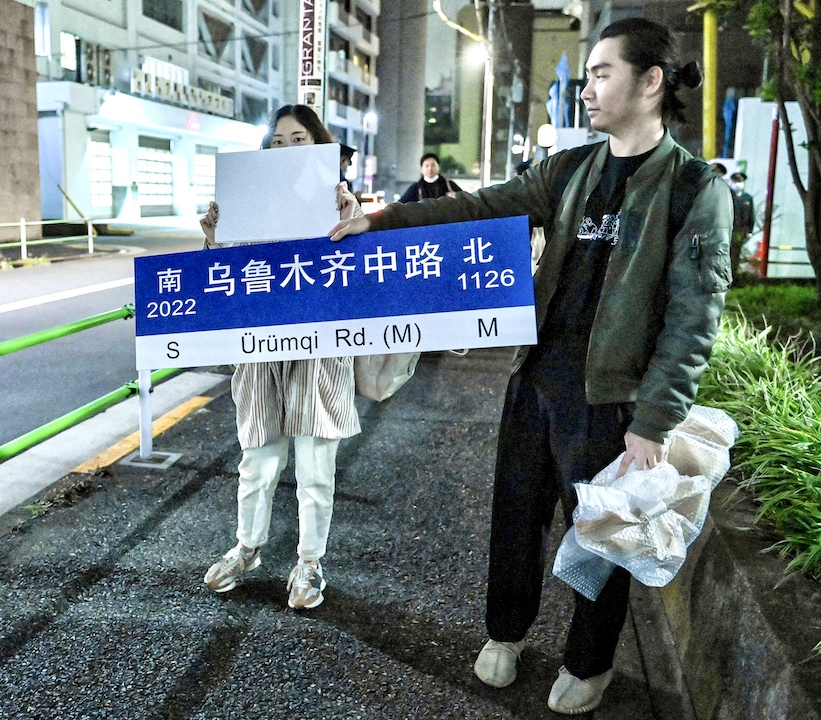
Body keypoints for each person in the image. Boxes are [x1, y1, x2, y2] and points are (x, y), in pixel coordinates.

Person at [330, 17, 731, 714]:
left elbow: (695, 319)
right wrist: (380, 221)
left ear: (652, 82)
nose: (589, 87)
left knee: (602, 531)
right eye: (588, 74)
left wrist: (656, 420)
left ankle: (590, 661)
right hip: (536, 378)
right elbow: (482, 206)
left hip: (612, 399)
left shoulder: (696, 190)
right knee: (516, 516)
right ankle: (506, 633)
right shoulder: (572, 168)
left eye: (603, 72)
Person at [199, 104, 361, 610]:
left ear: (319, 145)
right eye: (277, 141)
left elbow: (357, 270)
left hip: (319, 347)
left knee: (316, 465)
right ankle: (247, 548)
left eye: (298, 139)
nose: (285, 148)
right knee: (257, 460)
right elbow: (225, 275)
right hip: (261, 346)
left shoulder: (338, 200)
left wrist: (352, 219)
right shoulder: (245, 199)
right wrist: (213, 237)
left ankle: (309, 562)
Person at [729, 171, 754, 283]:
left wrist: (749, 231)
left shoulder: (747, 197)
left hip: (741, 231)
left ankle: (733, 278)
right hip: (729, 229)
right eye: (736, 181)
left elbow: (751, 215)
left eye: (740, 181)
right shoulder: (728, 195)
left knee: (736, 255)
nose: (738, 183)